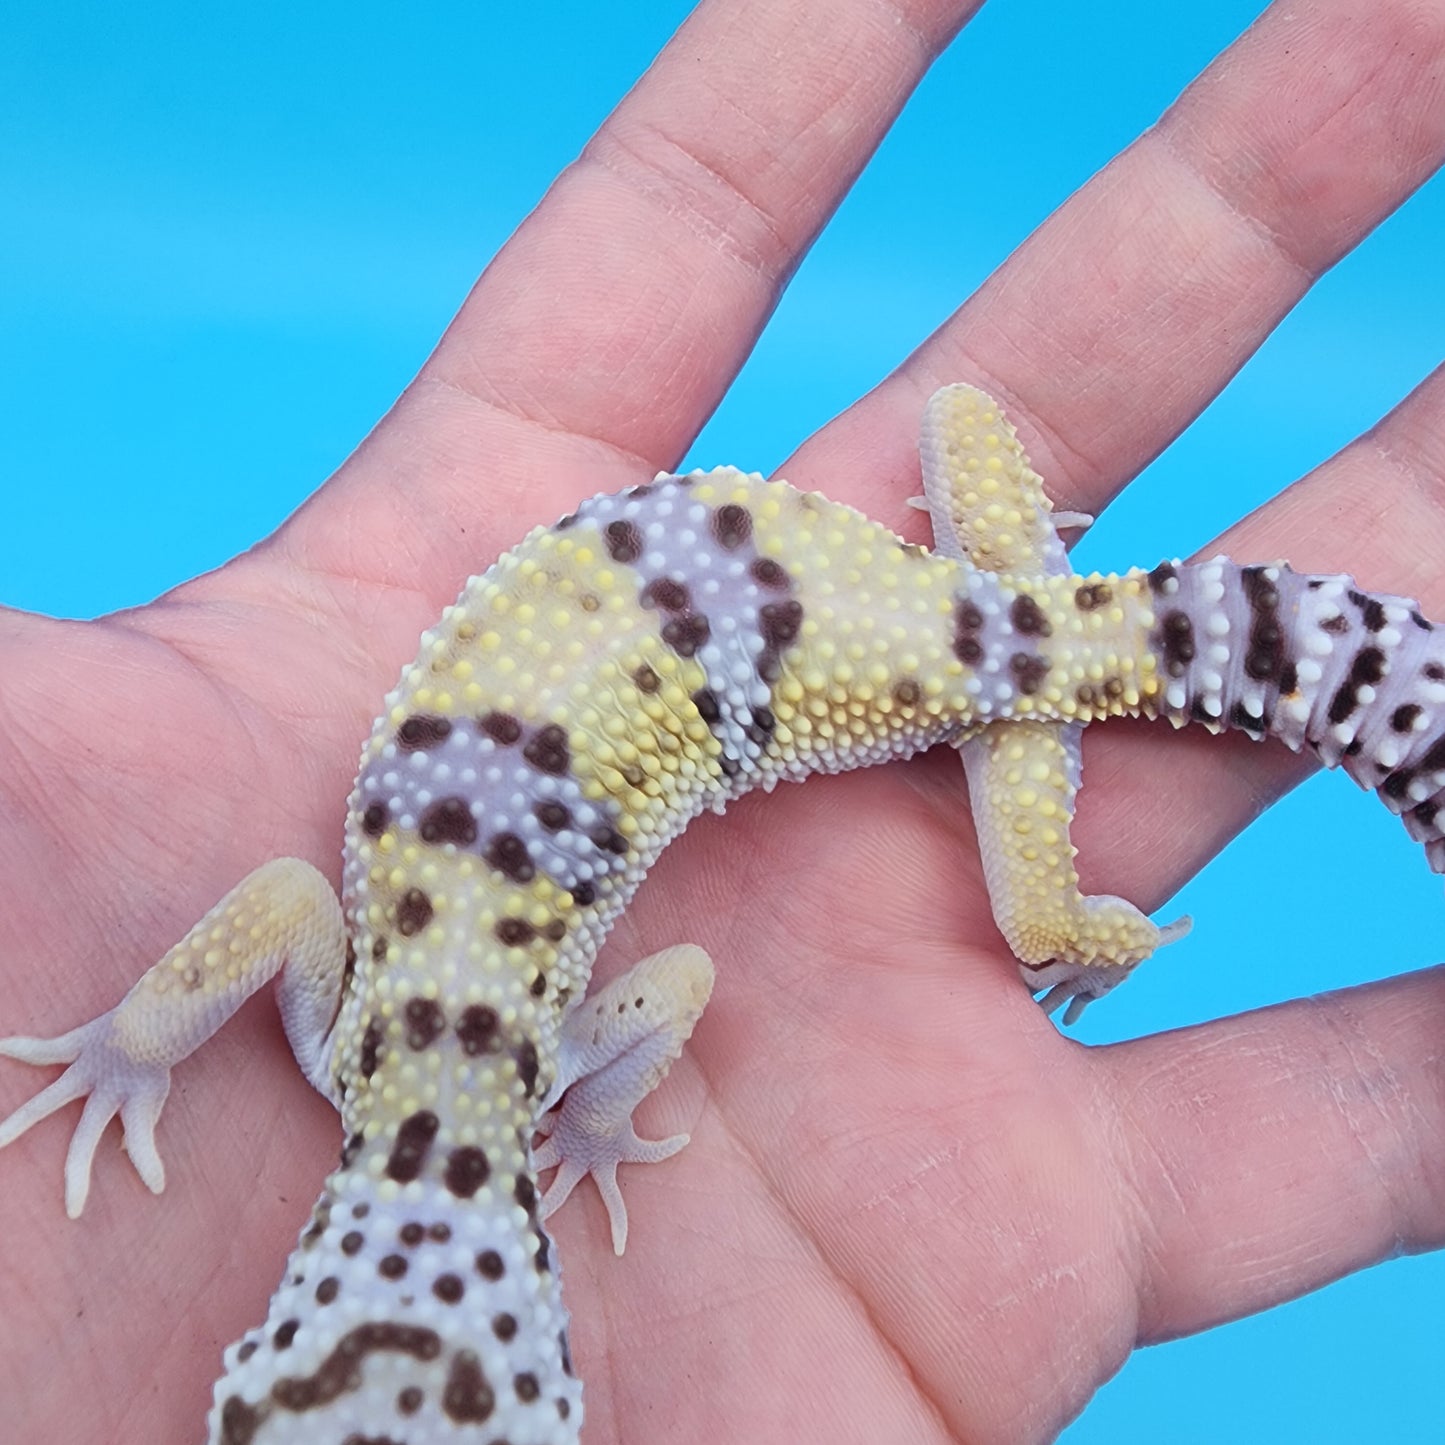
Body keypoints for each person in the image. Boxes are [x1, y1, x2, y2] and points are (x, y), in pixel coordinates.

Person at [2, 1, 1443, 1440]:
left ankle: (1078, 886)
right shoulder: (364, 1045)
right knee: (1005, 583)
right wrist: (146, 1035)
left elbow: (674, 977)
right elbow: (281, 909)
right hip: (770, 599)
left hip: (869, 656)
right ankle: (1120, 652)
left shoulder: (494, 1058)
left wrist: (598, 1113)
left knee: (1033, 902)